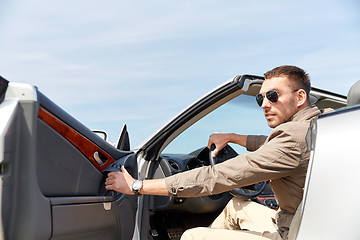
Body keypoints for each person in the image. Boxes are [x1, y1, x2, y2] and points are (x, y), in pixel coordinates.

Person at [105, 65, 322, 240]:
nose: (264, 104)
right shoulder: (319, 125)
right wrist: (233, 137)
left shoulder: (292, 138)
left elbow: (216, 177)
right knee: (236, 207)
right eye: (260, 98)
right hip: (303, 223)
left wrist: (137, 186)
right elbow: (272, 145)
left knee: (192, 236)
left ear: (300, 97)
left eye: (273, 96)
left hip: (293, 233)